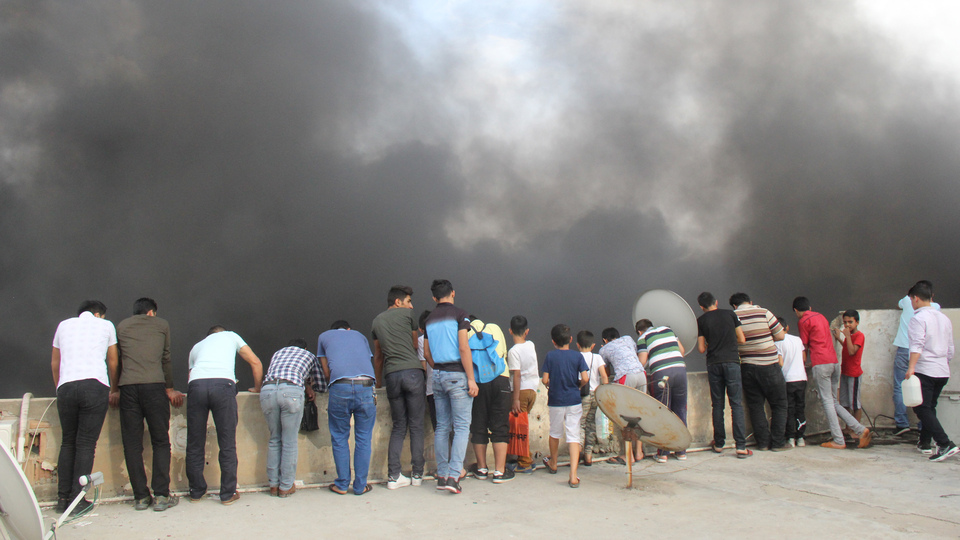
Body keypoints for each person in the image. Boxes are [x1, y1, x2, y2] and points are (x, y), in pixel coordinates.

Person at [51, 300, 119, 515]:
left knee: (68, 442)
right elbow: (113, 361)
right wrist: (114, 389)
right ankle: (77, 499)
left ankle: (62, 499)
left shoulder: (63, 325)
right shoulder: (106, 325)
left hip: (66, 387)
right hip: (94, 384)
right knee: (86, 444)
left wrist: (60, 387)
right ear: (98, 314)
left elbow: (55, 362)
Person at [116, 297, 184, 512]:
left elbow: (116, 359)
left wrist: (115, 389)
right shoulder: (162, 324)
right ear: (151, 312)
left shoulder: (121, 326)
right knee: (161, 441)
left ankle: (141, 498)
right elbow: (166, 357)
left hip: (127, 387)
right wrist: (170, 388)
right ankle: (162, 496)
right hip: (154, 386)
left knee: (132, 444)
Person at [186, 325, 263, 505]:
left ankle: (196, 491)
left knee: (195, 441)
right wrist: (258, 387)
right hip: (222, 385)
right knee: (227, 442)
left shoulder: (196, 346)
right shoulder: (230, 336)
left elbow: (190, 376)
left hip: (196, 386)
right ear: (221, 332)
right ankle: (227, 493)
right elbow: (255, 362)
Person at [422, 279, 478, 495]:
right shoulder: (460, 315)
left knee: (442, 427)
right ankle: (454, 477)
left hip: (437, 376)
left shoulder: (428, 319)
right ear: (453, 293)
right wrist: (471, 379)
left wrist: (439, 369)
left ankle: (442, 475)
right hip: (457, 375)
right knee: (462, 426)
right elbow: (464, 347)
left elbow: (426, 353)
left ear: (434, 298)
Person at [793, 296, 871, 450]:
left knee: (827, 402)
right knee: (834, 401)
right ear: (809, 308)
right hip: (834, 363)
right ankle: (861, 430)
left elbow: (805, 345)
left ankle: (838, 440)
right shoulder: (821, 316)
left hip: (821, 364)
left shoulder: (803, 321)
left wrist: (802, 363)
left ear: (796, 311)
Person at [371, 285, 425, 489]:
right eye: (409, 301)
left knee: (399, 426)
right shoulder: (408, 315)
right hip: (412, 372)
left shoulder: (376, 321)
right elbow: (414, 345)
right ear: (398, 302)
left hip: (391, 375)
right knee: (417, 425)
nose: (411, 305)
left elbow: (378, 355)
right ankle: (417, 474)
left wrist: (378, 383)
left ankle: (394, 476)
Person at [319, 321, 378, 495]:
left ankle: (342, 484)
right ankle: (360, 486)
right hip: (366, 386)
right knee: (363, 438)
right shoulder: (359, 335)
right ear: (348, 329)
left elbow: (327, 371)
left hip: (340, 387)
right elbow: (367, 360)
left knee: (339, 437)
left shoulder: (324, 337)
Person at [260, 338, 323, 498]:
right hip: (291, 393)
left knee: (274, 439)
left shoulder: (277, 353)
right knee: (289, 441)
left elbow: (278, 375)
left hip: (267, 390)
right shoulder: (309, 355)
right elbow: (321, 383)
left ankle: (273, 486)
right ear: (305, 348)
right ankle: (286, 486)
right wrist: (311, 387)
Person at [904, 281, 958, 461]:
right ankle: (925, 443)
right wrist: (944, 363)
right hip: (942, 370)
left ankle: (945, 444)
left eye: (911, 299)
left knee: (921, 408)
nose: (912, 303)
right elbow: (950, 348)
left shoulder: (918, 318)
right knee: (930, 407)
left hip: (925, 369)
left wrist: (911, 368)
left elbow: (917, 345)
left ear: (916, 299)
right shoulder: (943, 318)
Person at [731, 293, 789, 451]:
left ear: (734, 306)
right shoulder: (764, 312)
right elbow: (781, 335)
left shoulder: (733, 316)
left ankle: (763, 443)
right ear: (750, 302)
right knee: (780, 405)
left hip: (747, 367)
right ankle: (778, 443)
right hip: (769, 364)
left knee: (756, 406)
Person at [696, 292, 750, 458]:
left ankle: (719, 444)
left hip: (713, 364)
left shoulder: (701, 320)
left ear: (701, 307)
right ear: (716, 302)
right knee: (736, 404)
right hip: (732, 362)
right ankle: (741, 446)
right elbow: (742, 339)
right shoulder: (730, 314)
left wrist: (710, 342)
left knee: (718, 405)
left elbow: (701, 349)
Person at [466, 317, 514, 483]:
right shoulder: (495, 327)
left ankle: (481, 469)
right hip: (500, 379)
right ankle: (499, 472)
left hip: (478, 382)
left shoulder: (466, 332)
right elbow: (504, 354)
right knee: (500, 424)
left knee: (478, 424)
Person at [541, 324, 589, 488]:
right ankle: (573, 475)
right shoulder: (577, 357)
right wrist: (579, 386)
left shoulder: (550, 356)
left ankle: (553, 463)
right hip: (574, 400)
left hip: (556, 400)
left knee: (555, 432)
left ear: (553, 341)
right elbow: (585, 378)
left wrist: (550, 385)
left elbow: (545, 380)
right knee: (573, 435)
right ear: (570, 339)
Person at [636, 319, 687, 463]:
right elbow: (681, 351)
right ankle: (681, 451)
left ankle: (663, 453)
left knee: (662, 411)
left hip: (661, 374)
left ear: (639, 331)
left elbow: (642, 361)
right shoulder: (668, 329)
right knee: (680, 410)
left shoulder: (643, 337)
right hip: (680, 370)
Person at [892, 287, 940, 435]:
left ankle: (902, 424)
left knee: (900, 386)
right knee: (923, 388)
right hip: (921, 353)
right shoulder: (936, 308)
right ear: (931, 296)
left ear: (915, 297)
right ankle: (923, 426)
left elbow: (899, 304)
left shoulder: (906, 301)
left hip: (904, 348)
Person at [598, 327, 645, 463]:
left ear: (605, 340)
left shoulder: (604, 350)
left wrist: (605, 351)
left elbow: (605, 373)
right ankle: (639, 452)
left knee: (623, 415)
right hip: (641, 374)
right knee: (641, 412)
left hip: (625, 376)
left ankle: (628, 455)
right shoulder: (628, 339)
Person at [507, 315, 539, 473]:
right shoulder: (531, 345)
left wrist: (516, 399)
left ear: (510, 331)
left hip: (522, 391)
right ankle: (526, 456)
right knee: (523, 425)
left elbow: (517, 375)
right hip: (533, 389)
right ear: (527, 331)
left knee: (520, 427)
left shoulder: (513, 352)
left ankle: (525, 462)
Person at [775, 317, 807, 447]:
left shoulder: (777, 342)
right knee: (800, 408)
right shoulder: (798, 340)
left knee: (789, 409)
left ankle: (790, 438)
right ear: (787, 327)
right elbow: (804, 358)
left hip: (788, 380)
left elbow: (780, 363)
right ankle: (801, 438)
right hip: (801, 378)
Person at [577, 330, 607, 466]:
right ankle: (588, 455)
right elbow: (604, 376)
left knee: (580, 424)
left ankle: (577, 452)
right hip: (595, 394)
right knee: (591, 423)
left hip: (582, 395)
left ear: (577, 345)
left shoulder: (576, 357)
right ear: (593, 345)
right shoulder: (597, 358)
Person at [834, 310, 865, 425]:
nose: (847, 325)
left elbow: (852, 351)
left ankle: (857, 429)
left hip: (854, 374)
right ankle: (849, 427)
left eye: (850, 322)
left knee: (855, 404)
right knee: (845, 403)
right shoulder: (850, 336)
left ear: (857, 322)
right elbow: (847, 347)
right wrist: (840, 339)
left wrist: (847, 336)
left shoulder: (859, 336)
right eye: (845, 322)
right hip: (845, 372)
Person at [417, 310, 437, 431]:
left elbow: (423, 365)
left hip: (432, 388)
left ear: (420, 329)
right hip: (450, 384)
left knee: (438, 427)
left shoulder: (421, 340)